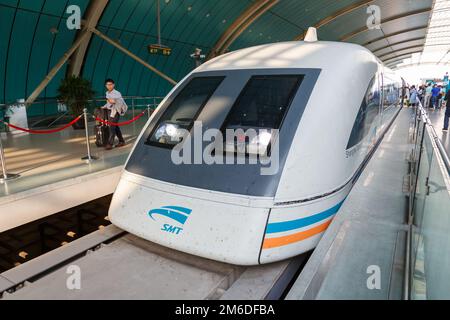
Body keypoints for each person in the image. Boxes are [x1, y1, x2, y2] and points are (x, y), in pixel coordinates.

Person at [102, 79, 127, 150]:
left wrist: (114, 101)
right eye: (107, 85)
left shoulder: (117, 93)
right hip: (110, 111)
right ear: (105, 85)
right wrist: (105, 106)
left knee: (111, 127)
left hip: (115, 111)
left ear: (113, 85)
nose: (109, 86)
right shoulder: (107, 93)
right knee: (115, 126)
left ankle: (110, 144)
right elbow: (108, 102)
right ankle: (121, 141)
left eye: (110, 84)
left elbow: (120, 102)